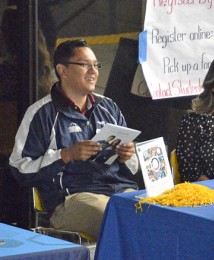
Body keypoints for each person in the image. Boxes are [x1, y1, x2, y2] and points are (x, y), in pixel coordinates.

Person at [9, 39, 138, 240]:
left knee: (154, 213)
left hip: (119, 191)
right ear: (62, 70)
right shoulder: (41, 113)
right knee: (121, 219)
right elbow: (19, 169)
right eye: (85, 64)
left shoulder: (109, 107)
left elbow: (133, 167)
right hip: (71, 199)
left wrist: (127, 155)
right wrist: (66, 155)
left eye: (96, 65)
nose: (93, 71)